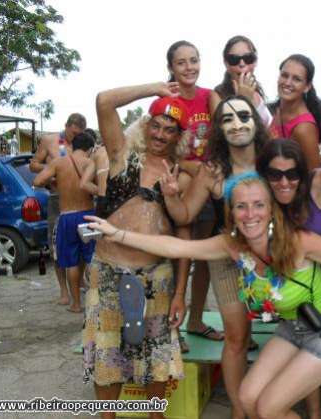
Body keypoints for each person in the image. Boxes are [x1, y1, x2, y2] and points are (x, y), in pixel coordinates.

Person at [86, 175, 321, 419]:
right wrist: (118, 234)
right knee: (247, 397)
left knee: (270, 408)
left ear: (271, 210)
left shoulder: (298, 242)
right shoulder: (232, 245)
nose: (250, 214)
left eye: (258, 205)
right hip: (295, 326)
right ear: (232, 213)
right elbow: (176, 246)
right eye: (241, 207)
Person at [84, 82, 192, 419]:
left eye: (170, 130)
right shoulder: (122, 155)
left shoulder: (179, 174)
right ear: (146, 125)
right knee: (107, 354)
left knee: (156, 357)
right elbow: (104, 101)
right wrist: (156, 89)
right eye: (156, 125)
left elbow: (183, 235)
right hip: (107, 270)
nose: (161, 134)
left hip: (156, 277)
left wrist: (180, 293)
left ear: (178, 136)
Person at [163, 95, 268, 419]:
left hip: (271, 259)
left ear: (256, 121)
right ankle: (238, 409)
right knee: (236, 337)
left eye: (243, 116)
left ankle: (275, 401)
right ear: (219, 129)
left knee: (281, 333)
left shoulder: (273, 160)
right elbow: (185, 215)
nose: (237, 124)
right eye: (227, 119)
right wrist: (171, 195)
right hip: (226, 258)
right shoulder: (211, 171)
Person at [257, 138, 321, 419]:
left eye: (292, 173)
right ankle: (314, 413)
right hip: (301, 276)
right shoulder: (266, 199)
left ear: (302, 173)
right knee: (311, 342)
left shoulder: (317, 181)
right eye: (275, 174)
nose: (284, 180)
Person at [166, 40, 223, 346]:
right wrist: (192, 168)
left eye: (194, 60)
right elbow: (161, 148)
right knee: (177, 257)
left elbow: (226, 130)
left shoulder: (209, 96)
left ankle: (197, 320)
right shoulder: (166, 100)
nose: (189, 67)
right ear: (171, 67)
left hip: (208, 187)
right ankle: (171, 328)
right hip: (180, 186)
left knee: (203, 258)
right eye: (181, 62)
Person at [33, 132, 96, 313]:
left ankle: (76, 304)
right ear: (90, 149)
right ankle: (96, 302)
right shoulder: (91, 163)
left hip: (67, 217)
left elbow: (37, 181)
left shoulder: (58, 163)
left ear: (72, 146)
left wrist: (55, 181)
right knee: (92, 260)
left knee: (71, 262)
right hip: (88, 215)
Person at [269, 54, 321, 169]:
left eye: (296, 79)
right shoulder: (276, 111)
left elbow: (313, 173)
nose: (287, 83)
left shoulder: (304, 127)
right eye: (284, 75)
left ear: (307, 86)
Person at [209, 35, 272, 126]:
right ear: (226, 63)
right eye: (234, 59)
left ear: (255, 61)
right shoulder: (217, 95)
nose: (242, 64)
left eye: (248, 58)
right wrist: (243, 100)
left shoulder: (257, 89)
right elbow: (223, 131)